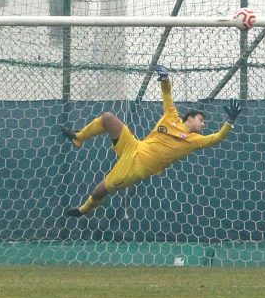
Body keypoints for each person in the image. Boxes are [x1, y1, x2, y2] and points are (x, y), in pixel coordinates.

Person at [62, 65, 243, 217]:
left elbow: (218, 137)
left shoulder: (195, 140)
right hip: (134, 145)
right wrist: (165, 79)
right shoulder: (171, 116)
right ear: (189, 118)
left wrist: (230, 121)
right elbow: (167, 95)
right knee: (108, 117)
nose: (204, 124)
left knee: (100, 190)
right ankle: (79, 138)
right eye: (201, 120)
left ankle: (83, 209)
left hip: (137, 167)